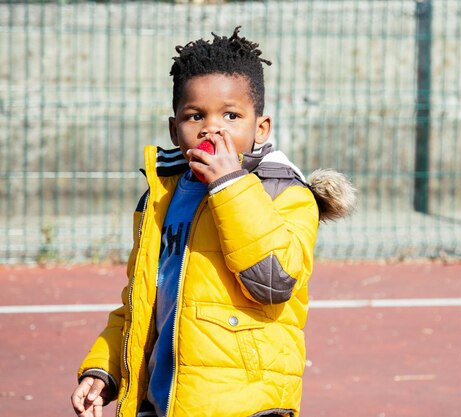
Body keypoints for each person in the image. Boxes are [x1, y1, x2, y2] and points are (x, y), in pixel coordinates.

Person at [70, 26, 355, 417]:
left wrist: (228, 185)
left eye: (231, 115)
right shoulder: (161, 197)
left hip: (246, 405)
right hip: (164, 403)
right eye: (195, 116)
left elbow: (273, 281)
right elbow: (139, 304)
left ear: (260, 128)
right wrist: (104, 370)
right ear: (174, 130)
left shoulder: (286, 194)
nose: (212, 128)